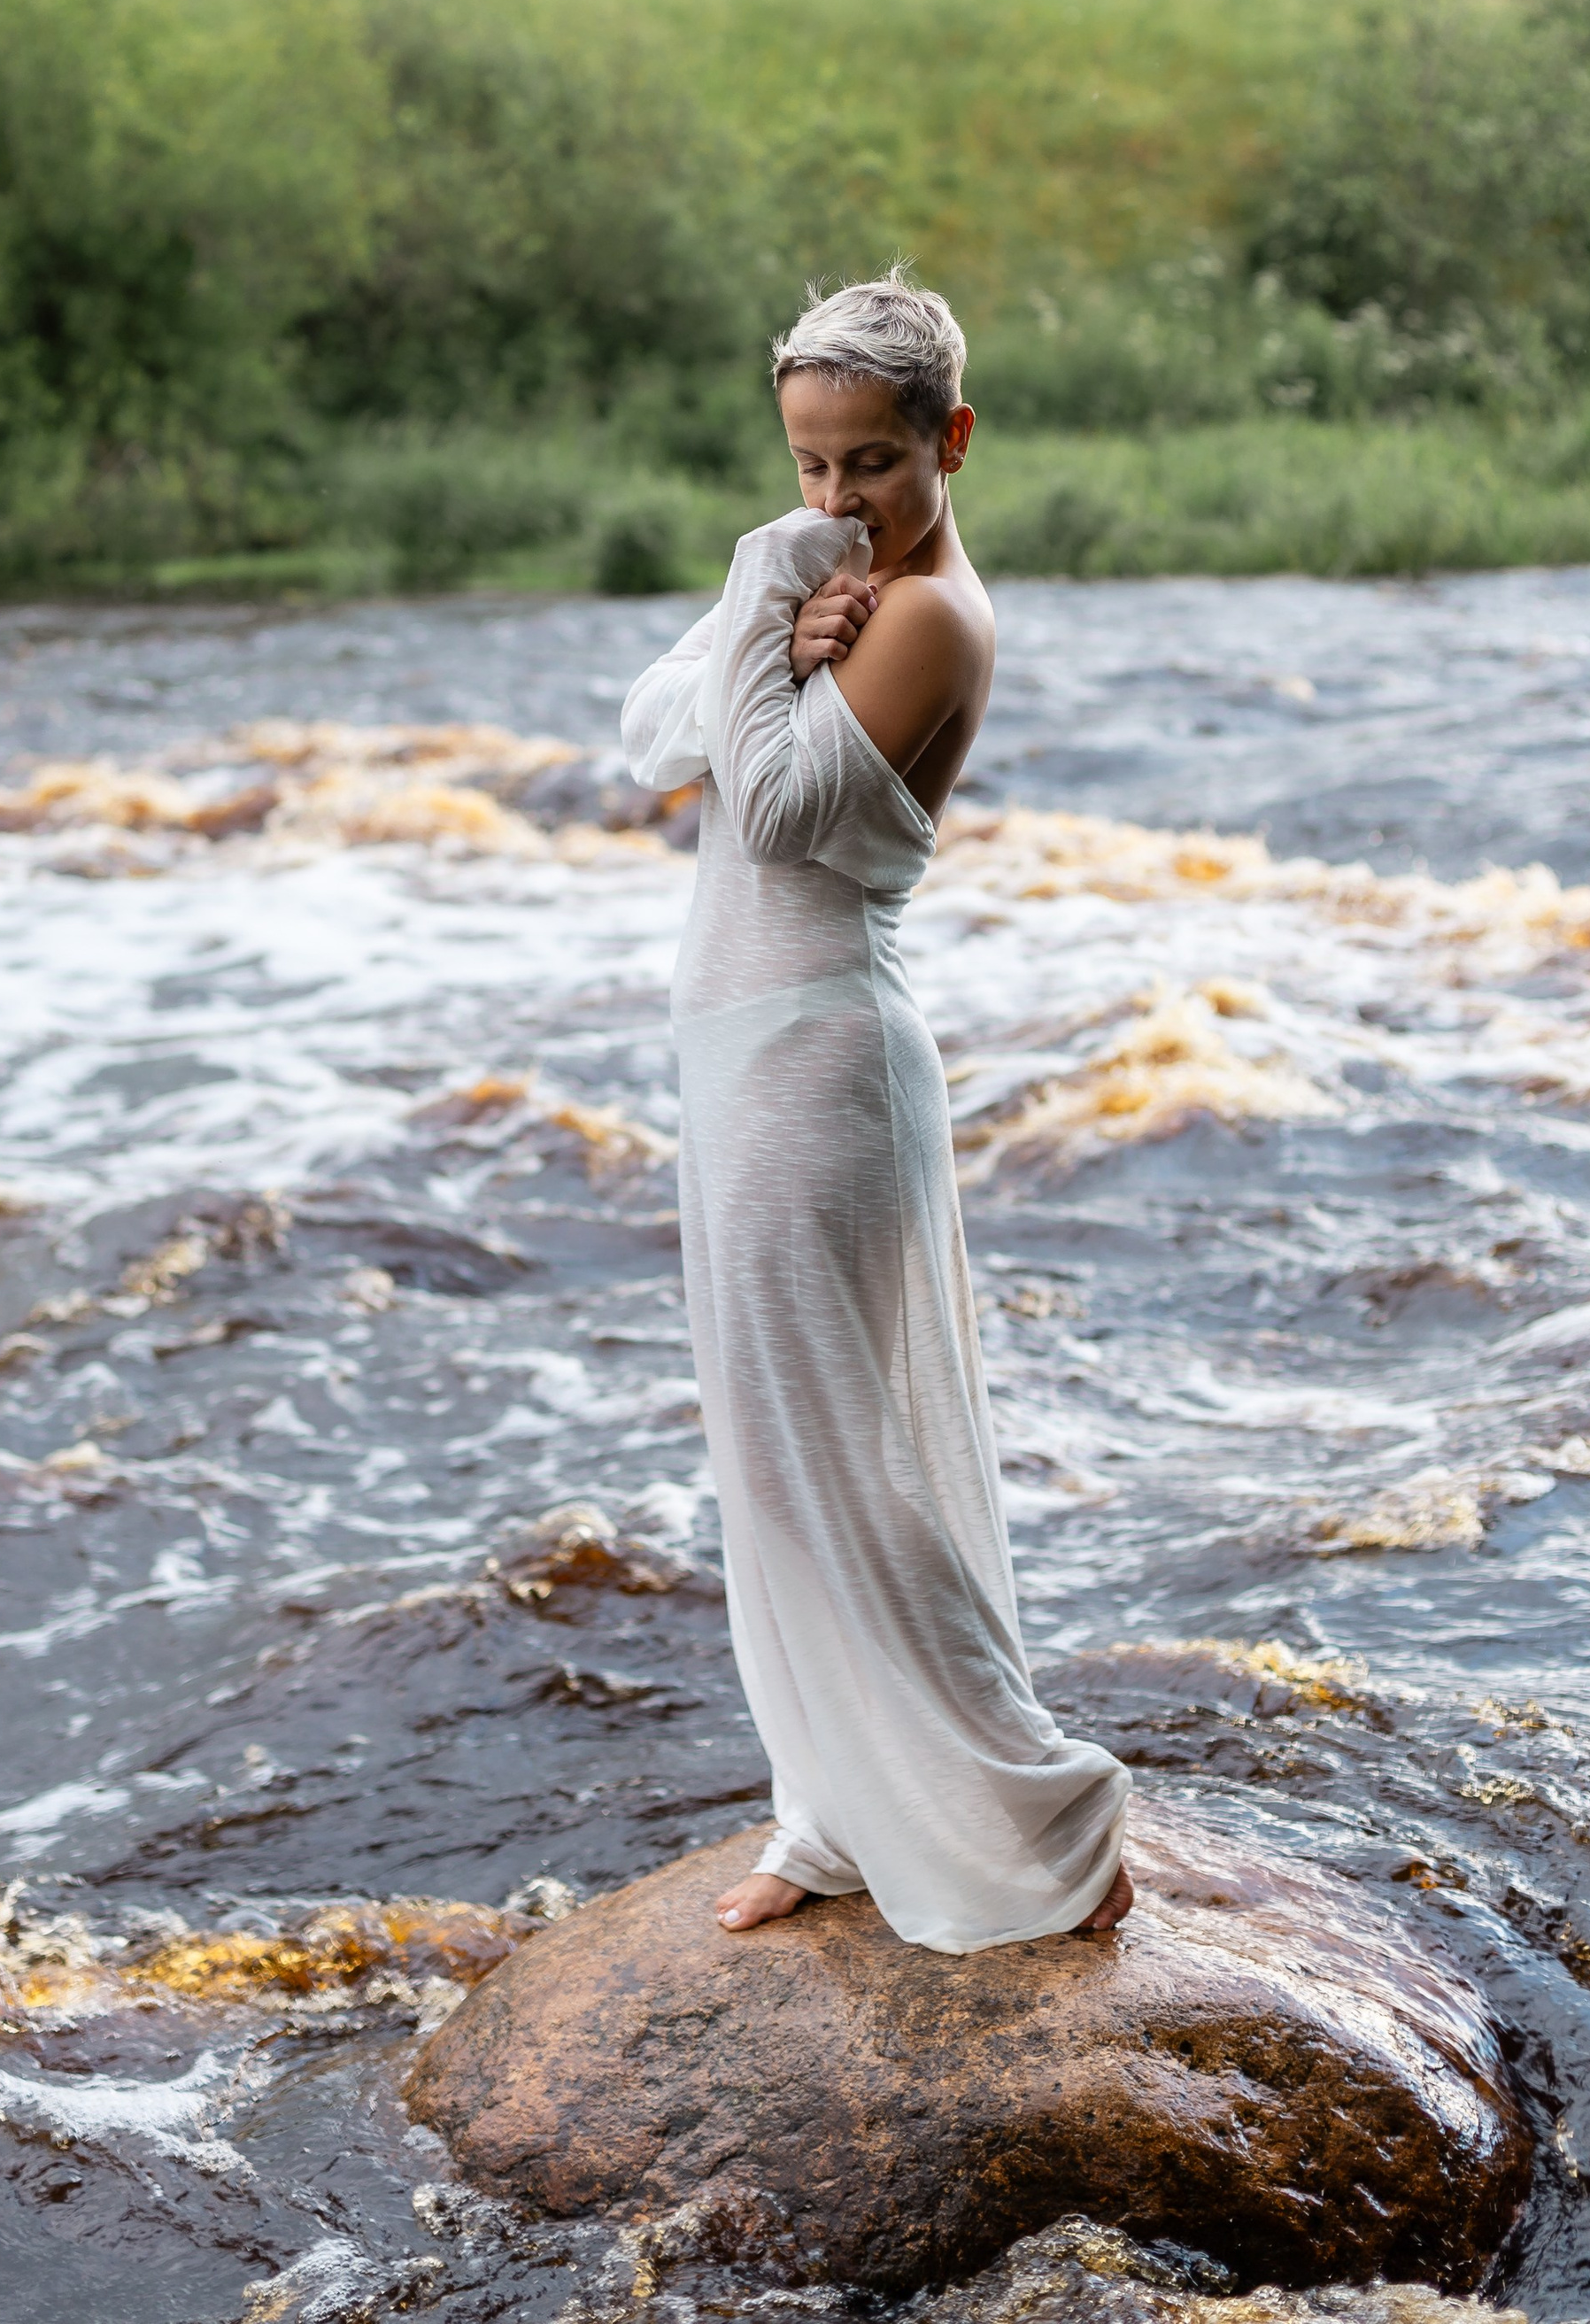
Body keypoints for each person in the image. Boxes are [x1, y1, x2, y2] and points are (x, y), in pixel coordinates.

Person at [621, 272, 1133, 1955]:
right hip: (739, 1059)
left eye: (871, 468)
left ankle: (1038, 1811)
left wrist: (771, 603)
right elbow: (647, 741)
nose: (831, 505)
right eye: (807, 468)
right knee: (772, 1471)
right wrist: (768, 633)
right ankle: (835, 1811)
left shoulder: (925, 619)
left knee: (849, 1469)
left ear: (952, 441)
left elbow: (761, 809)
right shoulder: (829, 587)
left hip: (818, 1064)